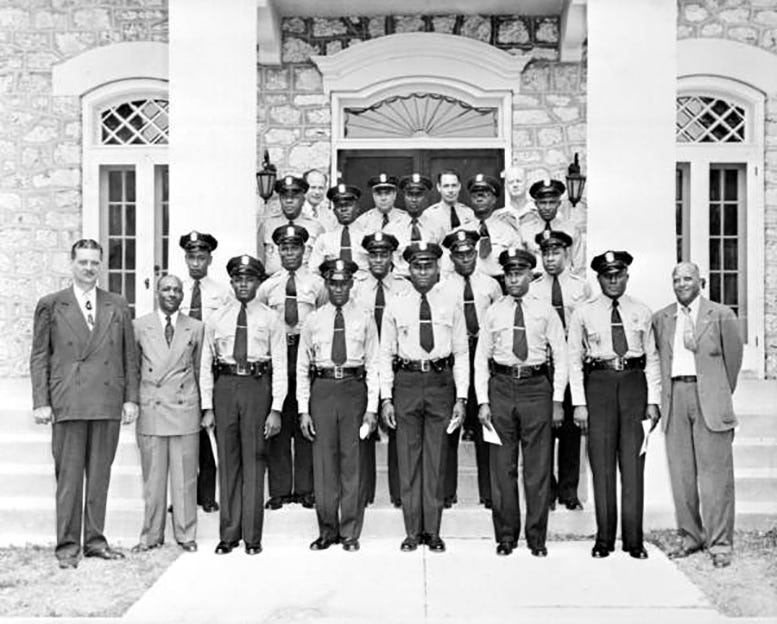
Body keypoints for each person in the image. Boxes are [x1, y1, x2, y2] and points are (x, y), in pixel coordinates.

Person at [30, 238, 139, 569]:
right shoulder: (52, 304)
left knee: (100, 476)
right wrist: (41, 401)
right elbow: (39, 356)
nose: (89, 268)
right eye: (83, 262)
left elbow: (128, 356)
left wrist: (131, 398)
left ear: (101, 265)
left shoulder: (117, 304)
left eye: (95, 262)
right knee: (69, 478)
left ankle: (94, 541)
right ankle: (66, 546)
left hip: (106, 401)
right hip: (68, 401)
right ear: (72, 263)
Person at [568, 250, 661, 560]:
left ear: (626, 276)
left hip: (634, 384)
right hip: (600, 385)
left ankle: (634, 540)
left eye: (618, 275)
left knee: (634, 464)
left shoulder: (641, 311)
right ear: (599, 278)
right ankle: (604, 538)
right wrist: (579, 403)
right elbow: (573, 360)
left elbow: (653, 358)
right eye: (607, 275)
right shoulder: (584, 312)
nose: (613, 280)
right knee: (602, 465)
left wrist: (653, 400)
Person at [475, 247, 567, 557]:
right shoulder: (494, 311)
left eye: (520, 273)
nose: (514, 279)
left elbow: (562, 357)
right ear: (503, 276)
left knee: (537, 468)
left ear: (531, 274)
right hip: (501, 387)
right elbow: (480, 360)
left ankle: (537, 537)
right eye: (509, 274)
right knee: (502, 468)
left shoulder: (545, 310)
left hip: (536, 387)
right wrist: (483, 401)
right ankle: (506, 535)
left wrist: (556, 399)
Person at [652, 262, 743, 568]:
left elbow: (733, 363)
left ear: (701, 281)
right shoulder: (663, 318)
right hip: (676, 396)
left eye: (688, 278)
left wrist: (717, 394)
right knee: (681, 475)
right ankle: (691, 536)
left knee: (715, 476)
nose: (681, 283)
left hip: (709, 399)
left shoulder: (720, 315)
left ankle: (719, 543)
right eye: (676, 279)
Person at [380, 241, 468, 553]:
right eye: (417, 265)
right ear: (408, 268)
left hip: (441, 383)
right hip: (406, 381)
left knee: (436, 459)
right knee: (408, 457)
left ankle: (433, 530)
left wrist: (462, 398)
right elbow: (384, 354)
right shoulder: (396, 302)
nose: (422, 271)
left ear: (437, 267)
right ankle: (411, 531)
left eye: (428, 265)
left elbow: (461, 351)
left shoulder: (451, 301)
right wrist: (386, 398)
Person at [199, 254, 286, 555]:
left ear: (258, 282)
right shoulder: (217, 318)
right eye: (238, 279)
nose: (243, 284)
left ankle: (252, 536)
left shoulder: (271, 319)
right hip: (225, 387)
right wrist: (208, 406)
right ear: (232, 282)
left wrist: (276, 408)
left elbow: (280, 366)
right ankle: (229, 534)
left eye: (249, 279)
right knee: (228, 461)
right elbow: (205, 365)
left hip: (256, 386)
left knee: (254, 461)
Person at [297, 258, 380, 552]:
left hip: (353, 391)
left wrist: (372, 408)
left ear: (351, 283)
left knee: (352, 462)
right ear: (327, 284)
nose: (339, 288)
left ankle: (350, 531)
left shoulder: (365, 318)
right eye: (334, 283)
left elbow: (374, 364)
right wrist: (303, 409)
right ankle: (327, 530)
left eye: (344, 283)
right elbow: (302, 367)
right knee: (324, 463)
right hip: (323, 390)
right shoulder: (313, 320)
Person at [131, 274, 203, 553]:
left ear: (182, 295)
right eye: (166, 289)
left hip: (184, 406)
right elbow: (133, 368)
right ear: (157, 293)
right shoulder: (139, 326)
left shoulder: (195, 328)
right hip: (152, 407)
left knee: (185, 478)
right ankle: (151, 535)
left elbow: (199, 370)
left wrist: (204, 408)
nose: (171, 294)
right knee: (153, 479)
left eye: (176, 290)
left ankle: (186, 535)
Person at [258, 224, 327, 509]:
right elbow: (259, 316)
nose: (289, 253)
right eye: (284, 248)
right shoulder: (268, 286)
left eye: (295, 247)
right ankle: (280, 489)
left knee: (305, 416)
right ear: (276, 250)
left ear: (304, 250)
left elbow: (323, 315)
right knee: (279, 419)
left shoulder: (316, 284)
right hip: (278, 354)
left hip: (306, 352)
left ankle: (306, 487)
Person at [441, 229, 502, 510]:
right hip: (455, 356)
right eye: (458, 254)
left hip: (483, 356)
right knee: (448, 428)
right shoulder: (442, 286)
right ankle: (446, 492)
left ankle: (489, 492)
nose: (464, 258)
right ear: (451, 256)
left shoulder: (490, 285)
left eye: (469, 253)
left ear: (476, 253)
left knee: (485, 426)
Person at [531, 230, 592, 511]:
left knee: (569, 431)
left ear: (566, 254)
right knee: (543, 431)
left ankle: (569, 491)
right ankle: (549, 490)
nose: (550, 258)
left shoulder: (581, 287)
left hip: (574, 362)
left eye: (555, 252)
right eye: (545, 253)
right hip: (545, 365)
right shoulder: (533, 288)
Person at [352, 231, 412, 508]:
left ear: (392, 257)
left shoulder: (404, 287)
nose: (378, 259)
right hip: (362, 364)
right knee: (362, 426)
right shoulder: (355, 287)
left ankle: (400, 491)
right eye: (373, 254)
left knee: (396, 424)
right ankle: (363, 491)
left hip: (394, 362)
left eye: (383, 254)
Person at [179, 230, 233, 513]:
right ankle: (184, 495)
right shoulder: (177, 289)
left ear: (210, 258)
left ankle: (208, 495)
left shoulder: (222, 292)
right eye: (191, 257)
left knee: (210, 430)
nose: (196, 262)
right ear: (185, 258)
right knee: (185, 433)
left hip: (211, 365)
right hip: (183, 366)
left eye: (201, 257)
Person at [459, 174, 523, 281]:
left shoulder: (508, 231)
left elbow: (517, 266)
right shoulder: (461, 232)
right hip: (468, 284)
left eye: (484, 195)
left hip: (499, 285)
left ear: (494, 199)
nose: (479, 199)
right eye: (475, 195)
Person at [256, 175, 324, 274]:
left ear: (303, 200)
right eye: (284, 197)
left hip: (305, 284)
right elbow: (260, 258)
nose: (289, 201)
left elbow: (320, 261)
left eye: (294, 197)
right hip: (273, 283)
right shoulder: (267, 225)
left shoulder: (315, 227)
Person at [384, 173, 447, 277]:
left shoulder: (437, 227)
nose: (414, 199)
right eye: (410, 194)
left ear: (426, 197)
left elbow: (443, 262)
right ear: (404, 196)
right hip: (401, 282)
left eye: (418, 195)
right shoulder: (391, 229)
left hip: (429, 281)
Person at [519, 178, 584, 273]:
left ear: (559, 203)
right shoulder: (524, 230)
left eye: (552, 202)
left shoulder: (571, 230)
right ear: (536, 204)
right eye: (543, 203)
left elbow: (580, 267)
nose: (547, 208)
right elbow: (522, 266)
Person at [309, 183, 369, 274]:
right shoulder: (324, 239)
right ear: (334, 211)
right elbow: (314, 272)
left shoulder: (369, 237)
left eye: (348, 205)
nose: (343, 209)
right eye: (339, 206)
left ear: (357, 208)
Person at [493, 165, 530, 232]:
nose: (515, 185)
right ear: (505, 185)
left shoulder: (539, 214)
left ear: (527, 183)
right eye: (511, 182)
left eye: (518, 181)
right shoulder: (497, 217)